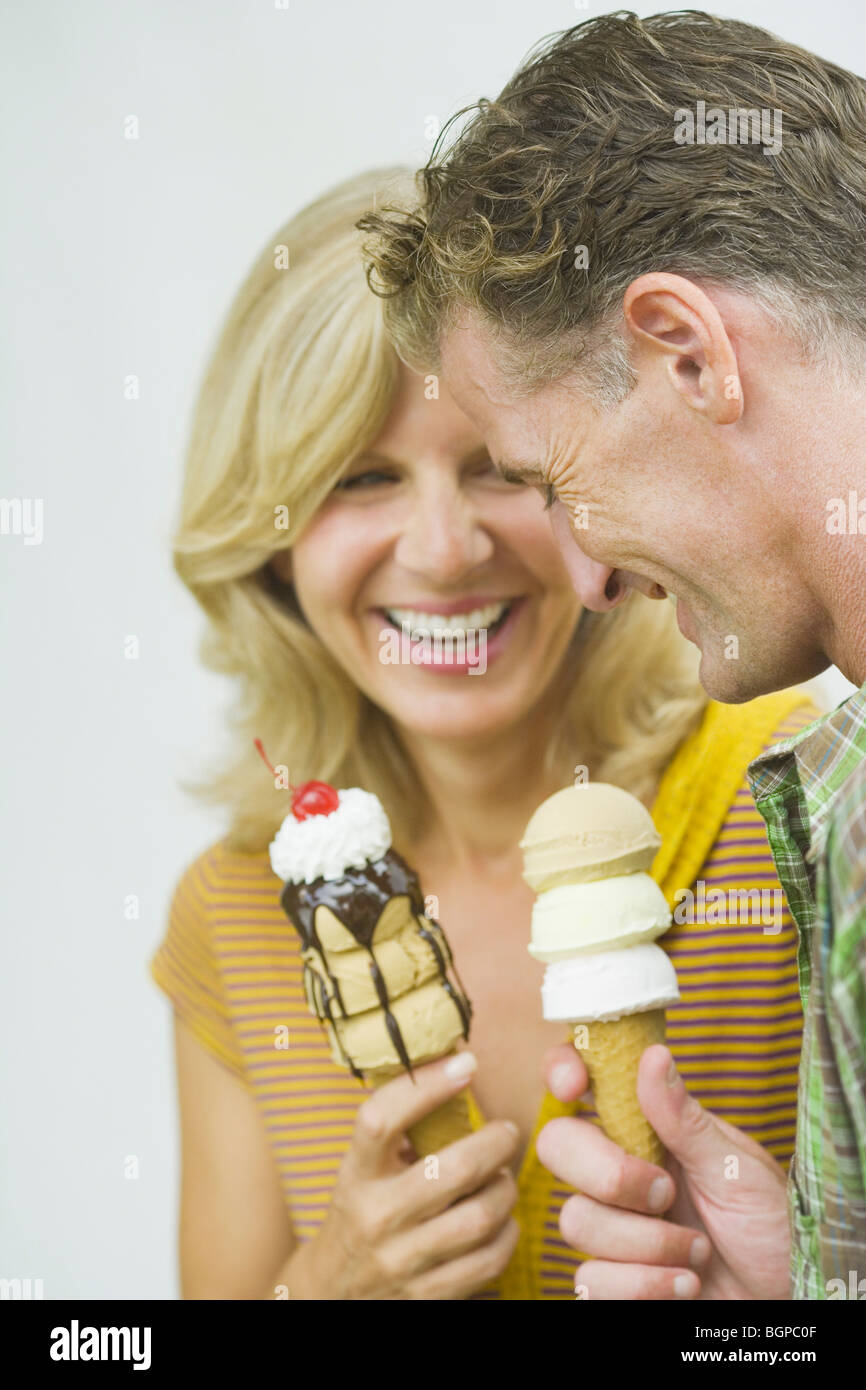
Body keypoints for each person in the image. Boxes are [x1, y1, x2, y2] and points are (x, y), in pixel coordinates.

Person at [151, 167, 818, 1301]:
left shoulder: (800, 800)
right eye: (360, 478)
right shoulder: (231, 911)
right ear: (269, 543)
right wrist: (321, 1292)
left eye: (501, 471)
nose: (446, 547)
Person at [360, 11, 866, 1299]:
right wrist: (797, 1291)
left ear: (684, 351)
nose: (585, 576)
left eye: (547, 477)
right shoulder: (843, 795)